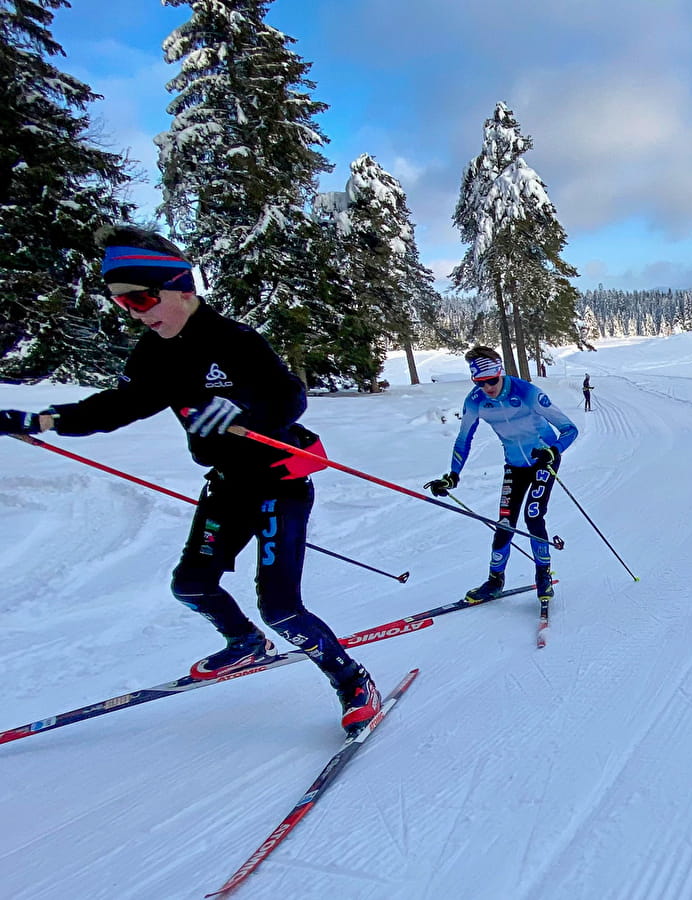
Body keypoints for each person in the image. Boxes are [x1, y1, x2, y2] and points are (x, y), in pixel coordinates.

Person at [0, 226, 381, 735]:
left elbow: (290, 397)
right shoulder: (154, 353)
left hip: (278, 482)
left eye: (141, 297)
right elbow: (118, 406)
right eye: (123, 303)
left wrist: (243, 408)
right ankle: (244, 642)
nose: (135, 311)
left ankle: (353, 681)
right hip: (227, 483)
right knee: (192, 586)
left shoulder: (234, 340)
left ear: (181, 287)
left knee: (282, 606)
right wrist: (45, 421)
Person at [425, 346, 578, 605]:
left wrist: (554, 451)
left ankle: (543, 575)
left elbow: (569, 429)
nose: (487, 387)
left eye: (491, 380)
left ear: (500, 373)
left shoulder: (526, 393)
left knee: (533, 516)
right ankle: (495, 581)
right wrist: (453, 475)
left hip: (543, 461)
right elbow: (463, 440)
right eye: (479, 382)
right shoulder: (475, 401)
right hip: (514, 465)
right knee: (504, 524)